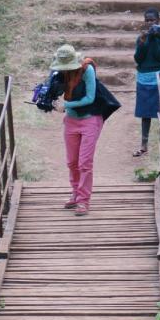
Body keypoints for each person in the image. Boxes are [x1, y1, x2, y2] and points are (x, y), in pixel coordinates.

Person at [50, 44, 105, 216]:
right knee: (72, 162)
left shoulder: (87, 69)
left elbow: (90, 98)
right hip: (71, 120)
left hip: (90, 119)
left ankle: (83, 201)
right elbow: (53, 92)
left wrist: (66, 105)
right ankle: (75, 193)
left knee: (84, 163)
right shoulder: (59, 71)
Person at [132, 7, 160, 157]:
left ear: (159, 21)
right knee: (145, 114)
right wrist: (143, 42)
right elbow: (138, 59)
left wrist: (155, 37)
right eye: (147, 20)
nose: (150, 23)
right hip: (144, 78)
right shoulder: (141, 37)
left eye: (153, 20)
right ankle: (144, 145)